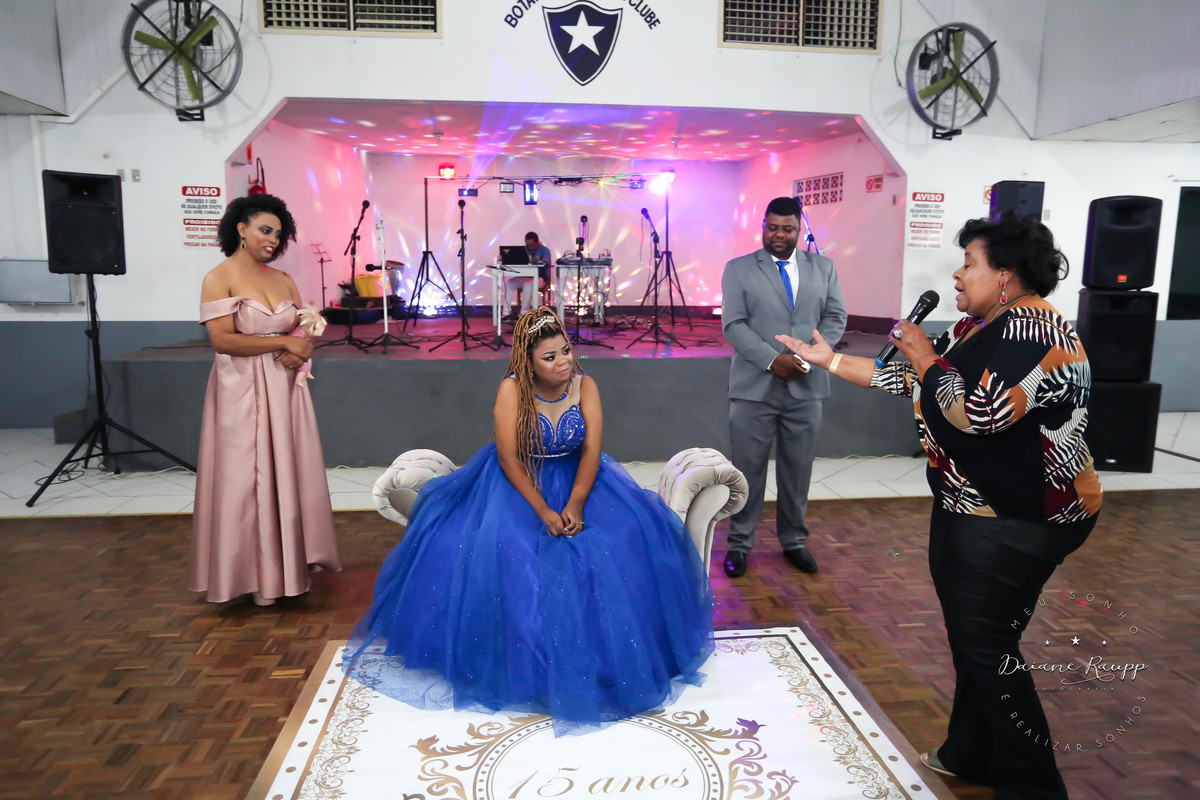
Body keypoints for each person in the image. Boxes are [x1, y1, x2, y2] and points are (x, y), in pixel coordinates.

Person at [777, 211, 1102, 800]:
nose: (956, 274)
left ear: (1004, 273)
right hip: (975, 504)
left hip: (1018, 514)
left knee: (986, 643)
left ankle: (1033, 786)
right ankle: (972, 752)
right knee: (977, 638)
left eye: (968, 263)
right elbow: (911, 381)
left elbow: (980, 414)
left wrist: (926, 355)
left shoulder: (1034, 330)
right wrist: (829, 360)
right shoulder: (980, 326)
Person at [342, 307, 713, 733]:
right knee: (512, 548)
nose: (564, 362)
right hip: (518, 482)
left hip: (580, 478)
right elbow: (507, 457)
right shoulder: (511, 389)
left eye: (566, 351)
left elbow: (591, 450)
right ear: (528, 362)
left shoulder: (586, 385)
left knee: (621, 539)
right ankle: (525, 668)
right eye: (550, 357)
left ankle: (608, 662)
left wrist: (575, 502)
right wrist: (543, 510)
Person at [191, 194, 341, 606]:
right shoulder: (218, 277)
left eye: (278, 233)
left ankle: (289, 568)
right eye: (265, 230)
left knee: (289, 472)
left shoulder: (283, 279)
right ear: (241, 229)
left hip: (285, 386)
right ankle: (251, 577)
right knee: (245, 478)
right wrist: (281, 342)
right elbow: (222, 340)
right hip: (241, 388)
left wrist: (301, 346)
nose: (273, 239)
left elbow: (302, 326)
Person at [720, 196, 847, 578]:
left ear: (799, 230)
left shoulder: (823, 268)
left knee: (798, 471)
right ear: (763, 226)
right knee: (747, 471)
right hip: (754, 388)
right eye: (773, 227)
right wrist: (773, 360)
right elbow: (734, 324)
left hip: (807, 386)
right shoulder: (739, 269)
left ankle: (794, 541)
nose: (779, 235)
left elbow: (835, 316)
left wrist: (808, 356)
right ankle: (739, 543)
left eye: (788, 229)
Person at [502, 231, 553, 321]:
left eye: (532, 245)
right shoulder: (522, 250)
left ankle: (524, 313)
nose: (529, 248)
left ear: (537, 243)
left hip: (540, 278)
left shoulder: (545, 250)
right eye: (527, 245)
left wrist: (538, 261)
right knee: (509, 283)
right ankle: (506, 313)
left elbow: (547, 262)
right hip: (525, 277)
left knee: (528, 285)